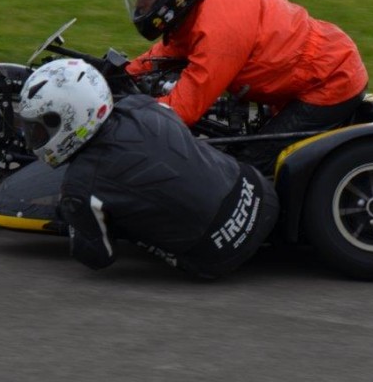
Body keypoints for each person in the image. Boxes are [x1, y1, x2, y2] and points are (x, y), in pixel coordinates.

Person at [121, 0, 369, 175]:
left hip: (330, 79)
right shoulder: (198, 6)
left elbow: (181, 111)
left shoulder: (219, 30)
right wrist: (122, 73)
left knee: (247, 167)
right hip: (312, 70)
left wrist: (124, 113)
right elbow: (168, 51)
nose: (141, 4)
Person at [18, 58, 280, 279]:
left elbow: (99, 258)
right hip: (260, 194)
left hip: (216, 256)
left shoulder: (80, 185)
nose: (36, 138)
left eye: (41, 128)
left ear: (72, 116)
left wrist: (72, 214)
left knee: (117, 215)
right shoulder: (141, 104)